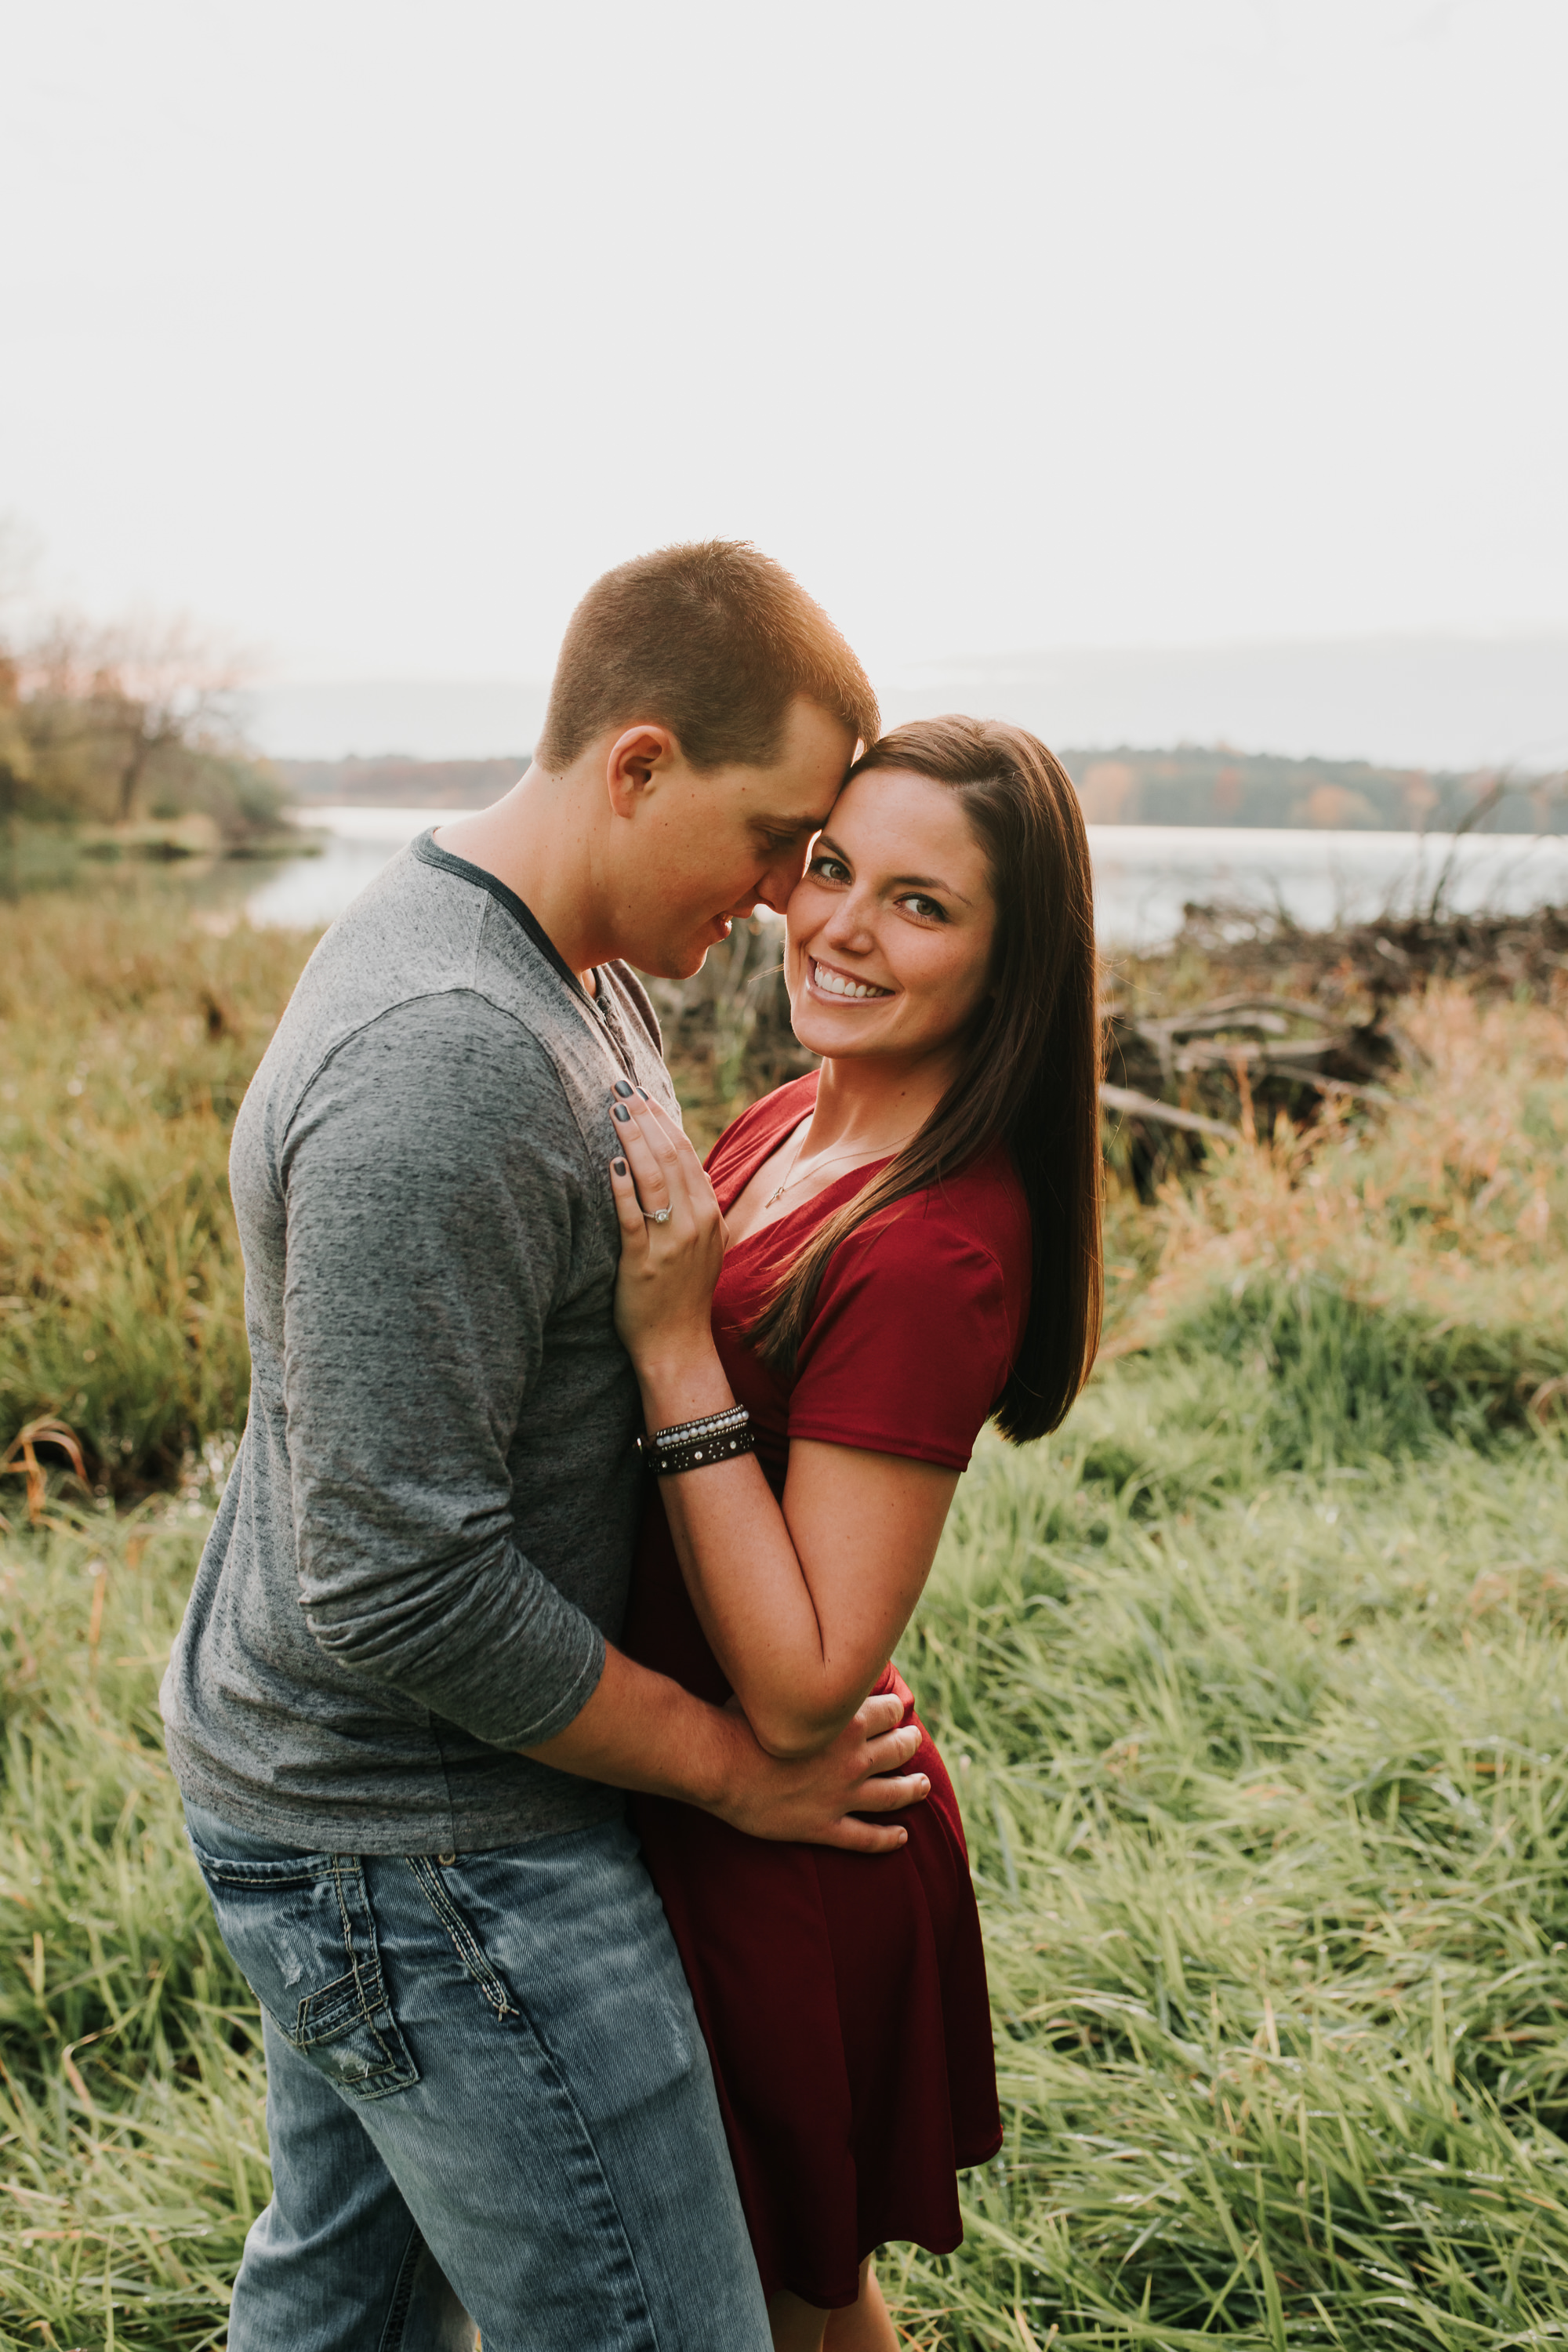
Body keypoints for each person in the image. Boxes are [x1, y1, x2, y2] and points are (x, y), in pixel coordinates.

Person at [158, 543, 936, 2352]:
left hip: (383, 1809)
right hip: (428, 1848)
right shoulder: (444, 1056)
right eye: (771, 838)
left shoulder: (573, 975)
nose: (774, 900)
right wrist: (731, 1773)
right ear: (639, 762)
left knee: (341, 2314)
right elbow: (396, 1583)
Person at [607, 717, 1104, 2352]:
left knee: (793, 2306)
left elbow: (810, 1681)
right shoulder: (782, 1127)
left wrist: (678, 1350)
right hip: (671, 1795)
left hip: (780, 1836)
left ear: (1008, 961)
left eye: (919, 903)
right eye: (830, 868)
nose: (839, 926)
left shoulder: (932, 1247)